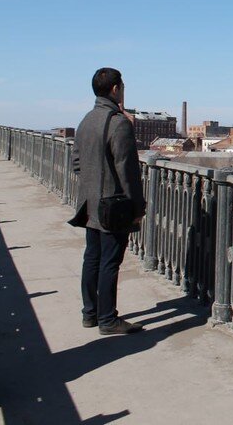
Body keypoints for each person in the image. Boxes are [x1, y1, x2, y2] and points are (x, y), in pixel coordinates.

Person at [69, 68, 146, 335]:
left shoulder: (87, 120)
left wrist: (93, 182)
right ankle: (108, 319)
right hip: (112, 207)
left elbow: (77, 163)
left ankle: (89, 314)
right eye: (122, 86)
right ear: (116, 89)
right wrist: (137, 208)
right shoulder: (118, 123)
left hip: (90, 203)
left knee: (92, 257)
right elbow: (128, 171)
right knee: (109, 262)